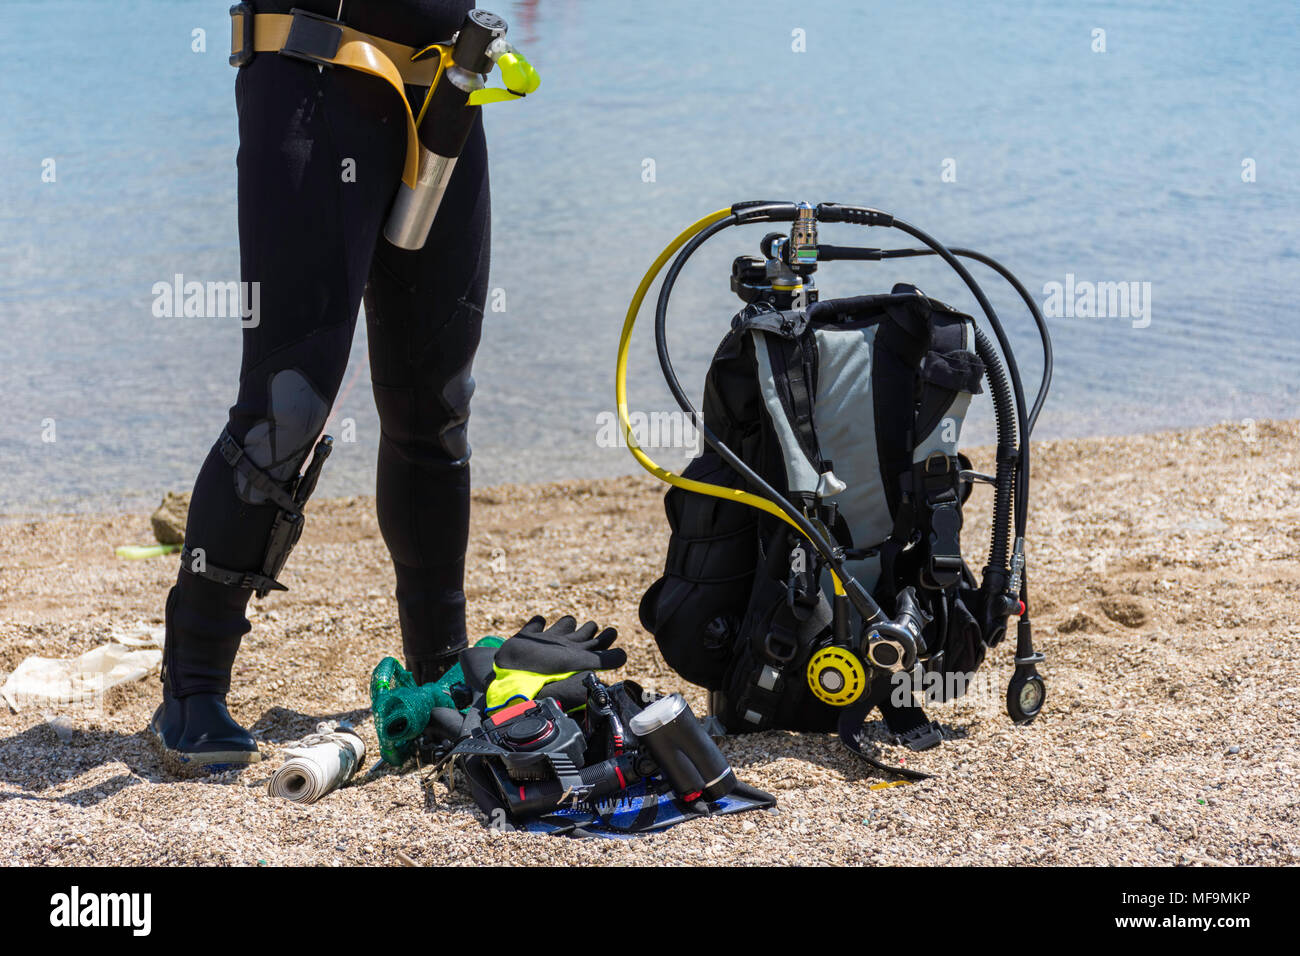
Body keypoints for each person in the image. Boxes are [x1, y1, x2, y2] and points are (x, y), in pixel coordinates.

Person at [150, 0, 490, 769]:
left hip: (447, 89)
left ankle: (439, 672)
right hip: (311, 76)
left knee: (437, 402)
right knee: (287, 407)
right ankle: (192, 687)